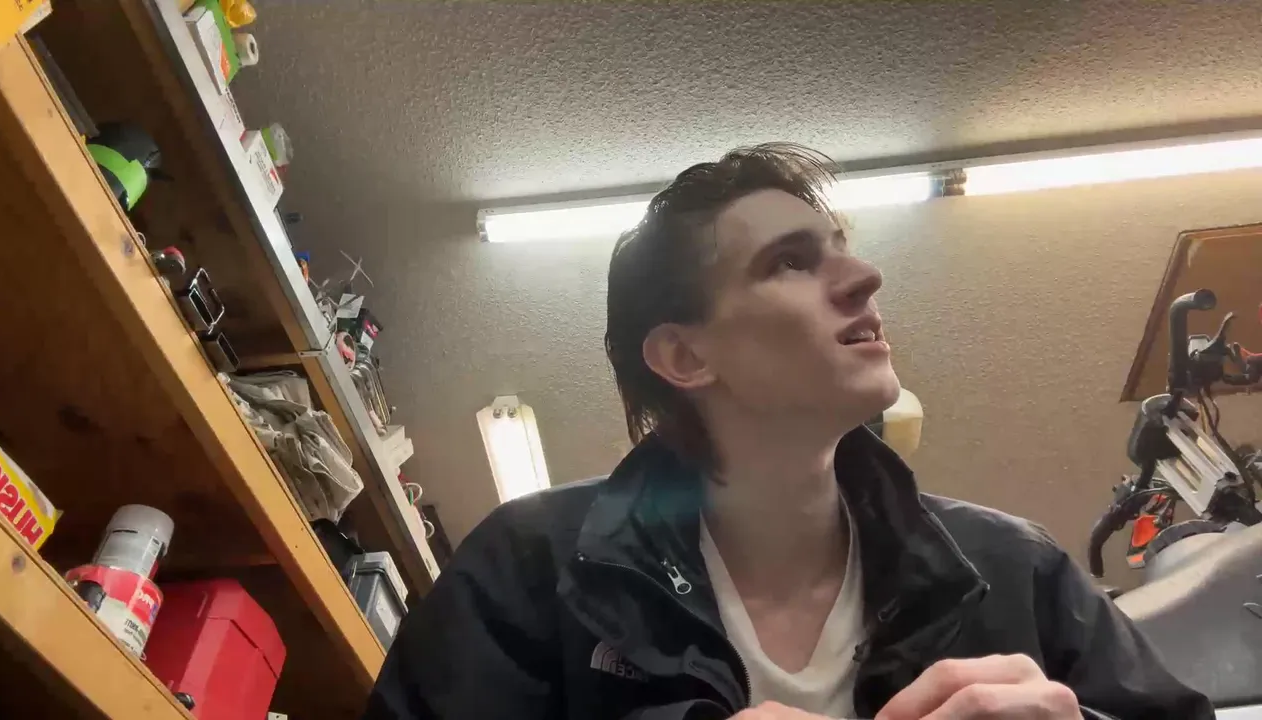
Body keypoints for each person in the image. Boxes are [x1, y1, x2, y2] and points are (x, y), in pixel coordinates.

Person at [362, 144, 1212, 720]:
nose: (865, 276)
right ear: (685, 355)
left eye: (841, 248)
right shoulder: (526, 570)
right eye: (791, 261)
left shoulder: (1016, 570)